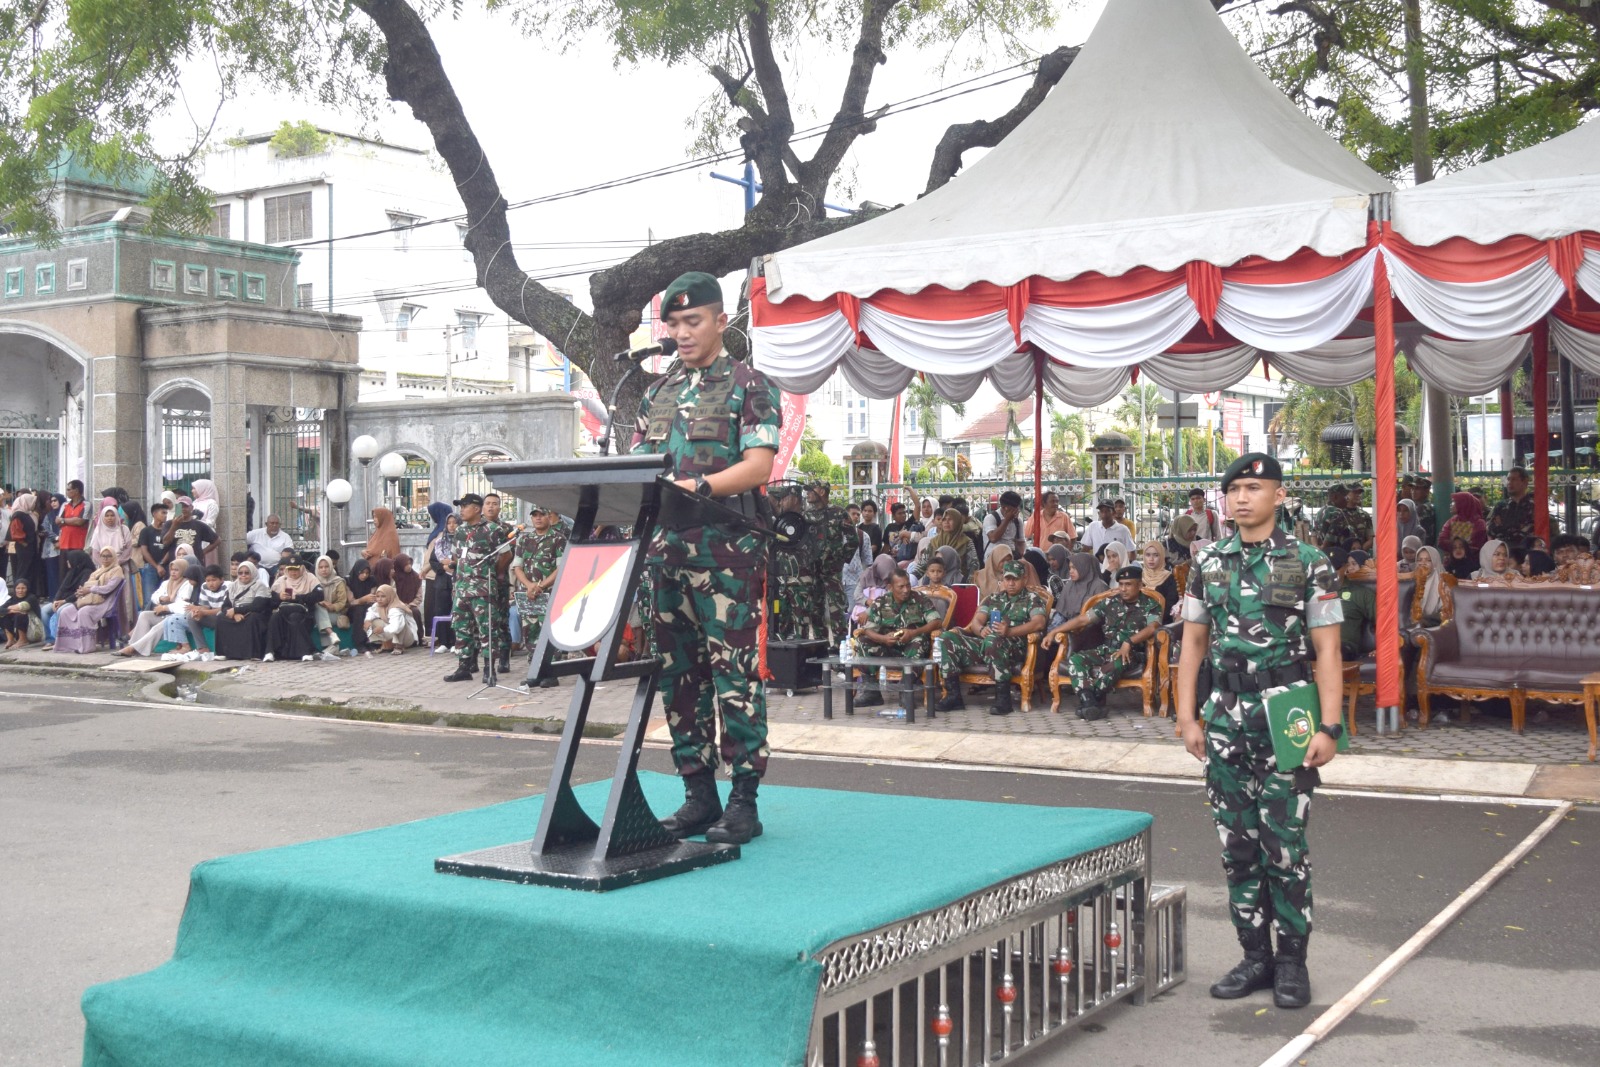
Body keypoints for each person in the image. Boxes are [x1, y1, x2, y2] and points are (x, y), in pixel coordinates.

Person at [1175, 453, 1344, 1011]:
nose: (1242, 498)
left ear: (1279, 494)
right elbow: (1194, 643)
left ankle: (1293, 962)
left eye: (1254, 487)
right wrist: (1185, 716)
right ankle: (1255, 956)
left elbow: (1327, 650)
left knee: (1285, 846)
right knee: (1237, 845)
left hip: (1286, 718)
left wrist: (1330, 725)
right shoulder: (1208, 560)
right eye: (1234, 490)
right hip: (1224, 717)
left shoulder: (1309, 560)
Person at [629, 270, 780, 846]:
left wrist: (704, 488)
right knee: (679, 677)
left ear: (721, 319)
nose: (682, 332)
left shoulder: (750, 385)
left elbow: (759, 465)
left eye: (693, 321)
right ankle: (698, 793)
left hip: (726, 556)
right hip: (665, 554)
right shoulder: (657, 392)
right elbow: (641, 465)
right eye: (673, 323)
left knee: (733, 676)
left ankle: (744, 798)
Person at [1045, 565, 1162, 719]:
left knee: (1116, 660)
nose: (1123, 589)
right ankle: (1090, 703)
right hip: (1106, 648)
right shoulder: (1110, 603)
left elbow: (1153, 628)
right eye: (1120, 584)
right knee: (1075, 659)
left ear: (1140, 585)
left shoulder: (1151, 605)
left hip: (1132, 653)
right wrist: (1054, 631)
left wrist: (1129, 642)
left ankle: (1089, 701)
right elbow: (1082, 620)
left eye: (1128, 584)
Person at [935, 559, 1048, 716]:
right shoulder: (992, 598)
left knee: (993, 640)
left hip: (1015, 647)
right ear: (1002, 579)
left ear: (1024, 579)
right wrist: (981, 630)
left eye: (1015, 579)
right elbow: (976, 622)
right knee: (947, 637)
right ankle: (953, 696)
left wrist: (1010, 632)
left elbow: (1039, 623)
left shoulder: (1032, 599)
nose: (1011, 583)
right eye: (1008, 579)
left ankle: (1003, 699)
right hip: (986, 644)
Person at [854, 570, 944, 711]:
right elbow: (869, 630)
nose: (906, 590)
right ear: (890, 586)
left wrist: (914, 632)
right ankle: (871, 692)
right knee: (863, 641)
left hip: (911, 646)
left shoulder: (919, 599)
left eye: (908, 585)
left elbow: (937, 622)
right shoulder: (881, 602)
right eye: (901, 587)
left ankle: (905, 690)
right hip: (888, 647)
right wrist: (883, 639)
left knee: (919, 642)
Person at [442, 494, 505, 682]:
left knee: (487, 629)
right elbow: (456, 557)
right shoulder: (460, 531)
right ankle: (464, 667)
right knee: (461, 628)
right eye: (460, 506)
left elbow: (505, 556)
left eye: (465, 506)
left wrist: (491, 574)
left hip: (482, 589)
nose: (461, 509)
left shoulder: (492, 530)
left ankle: (489, 668)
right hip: (461, 588)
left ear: (477, 509)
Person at [509, 504, 565, 681]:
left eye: (542, 514)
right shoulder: (524, 540)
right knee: (530, 631)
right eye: (535, 515)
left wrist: (540, 586)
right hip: (529, 594)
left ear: (549, 516)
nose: (538, 518)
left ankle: (551, 672)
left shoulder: (558, 539)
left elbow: (560, 568)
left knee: (549, 632)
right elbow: (517, 566)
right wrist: (529, 586)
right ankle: (535, 671)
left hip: (550, 593)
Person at [804, 482, 856, 644]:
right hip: (813, 570)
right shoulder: (807, 515)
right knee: (815, 610)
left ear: (821, 491)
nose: (807, 494)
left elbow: (853, 540)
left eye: (811, 490)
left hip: (832, 570)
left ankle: (841, 648)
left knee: (836, 611)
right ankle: (820, 646)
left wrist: (841, 558)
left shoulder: (839, 513)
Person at [53, 548, 127, 654]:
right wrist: (81, 592)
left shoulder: (117, 570)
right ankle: (71, 645)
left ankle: (87, 646)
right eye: (103, 556)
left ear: (114, 557)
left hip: (105, 602)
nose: (105, 559)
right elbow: (87, 585)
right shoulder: (98, 571)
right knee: (66, 611)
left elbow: (108, 589)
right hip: (90, 600)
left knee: (84, 612)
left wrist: (91, 589)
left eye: (108, 556)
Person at [117, 563, 200, 658]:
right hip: (165, 614)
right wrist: (161, 599)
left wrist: (165, 607)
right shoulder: (167, 583)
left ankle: (134, 649)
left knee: (159, 626)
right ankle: (135, 645)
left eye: (176, 570)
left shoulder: (187, 584)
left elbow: (183, 606)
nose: (173, 572)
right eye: (171, 569)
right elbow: (154, 596)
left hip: (176, 616)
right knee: (144, 615)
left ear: (183, 571)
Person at [213, 560, 272, 661]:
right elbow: (225, 606)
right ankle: (223, 652)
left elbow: (257, 606)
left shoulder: (259, 585)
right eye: (240, 573)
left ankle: (254, 653)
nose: (243, 575)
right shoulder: (233, 586)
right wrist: (234, 614)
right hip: (237, 613)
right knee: (221, 618)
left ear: (253, 572)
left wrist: (236, 610)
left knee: (253, 618)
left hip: (253, 614)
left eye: (246, 573)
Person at [483, 493, 515, 673]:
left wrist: (497, 573)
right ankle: (472, 660)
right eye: (487, 504)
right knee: (477, 622)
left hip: (499, 581)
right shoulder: (476, 527)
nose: (491, 507)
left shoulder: (506, 529)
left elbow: (508, 555)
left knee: (501, 620)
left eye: (495, 504)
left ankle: (504, 658)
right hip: (478, 582)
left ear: (499, 507)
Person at [39, 550, 93, 649]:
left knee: (61, 610)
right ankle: (50, 639)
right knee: (44, 610)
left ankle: (61, 640)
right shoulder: (71, 572)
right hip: (63, 600)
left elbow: (79, 592)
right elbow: (62, 588)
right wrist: (55, 600)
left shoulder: (87, 573)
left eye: (69, 560)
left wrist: (64, 601)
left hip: (76, 600)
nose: (67, 562)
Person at [914, 508, 979, 584]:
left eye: (950, 519)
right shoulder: (934, 542)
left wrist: (967, 585)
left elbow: (973, 566)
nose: (946, 522)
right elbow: (922, 565)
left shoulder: (966, 542)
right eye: (944, 519)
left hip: (957, 584)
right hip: (934, 585)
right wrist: (911, 577)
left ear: (957, 522)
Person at [1486, 467, 1536, 550]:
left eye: (1514, 479)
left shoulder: (1533, 506)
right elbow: (1490, 529)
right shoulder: (1500, 506)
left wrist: (1502, 528)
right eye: (1508, 479)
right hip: (1503, 552)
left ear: (1525, 481)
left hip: (1526, 553)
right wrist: (1515, 529)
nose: (1509, 483)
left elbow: (1528, 532)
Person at [312, 555, 351, 658]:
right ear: (317, 568)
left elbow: (342, 603)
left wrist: (331, 607)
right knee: (318, 607)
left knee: (320, 613)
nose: (324, 570)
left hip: (335, 613)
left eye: (326, 566)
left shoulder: (338, 582)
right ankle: (332, 644)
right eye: (321, 567)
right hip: (318, 612)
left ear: (331, 567)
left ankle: (329, 646)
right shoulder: (313, 582)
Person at [159, 497, 217, 566]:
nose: (183, 509)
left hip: (194, 565)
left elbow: (217, 540)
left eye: (185, 506)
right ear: (177, 508)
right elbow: (165, 542)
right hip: (176, 565)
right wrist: (174, 525)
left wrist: (202, 552)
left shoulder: (199, 525)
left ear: (191, 508)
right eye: (180, 507)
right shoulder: (169, 524)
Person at [5, 491, 43, 595]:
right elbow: (15, 531)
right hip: (23, 548)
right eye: (33, 502)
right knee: (23, 570)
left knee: (29, 570)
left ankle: (28, 593)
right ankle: (20, 593)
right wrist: (23, 543)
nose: (35, 505)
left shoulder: (29, 514)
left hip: (30, 547)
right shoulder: (18, 514)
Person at [364, 583, 419, 653]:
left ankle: (399, 646)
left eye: (383, 596)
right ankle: (386, 643)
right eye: (377, 596)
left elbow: (396, 627)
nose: (380, 599)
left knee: (400, 623)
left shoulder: (396, 608)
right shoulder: (378, 605)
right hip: (393, 633)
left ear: (389, 596)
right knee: (372, 622)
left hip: (407, 638)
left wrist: (383, 629)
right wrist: (367, 620)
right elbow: (371, 612)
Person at [341, 559, 379, 654]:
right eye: (362, 573)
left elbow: (372, 597)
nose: (365, 575)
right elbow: (352, 602)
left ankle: (371, 640)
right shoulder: (348, 580)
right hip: (352, 610)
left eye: (367, 573)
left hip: (367, 607)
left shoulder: (372, 580)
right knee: (359, 609)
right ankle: (359, 643)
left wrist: (368, 600)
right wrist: (363, 599)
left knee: (370, 610)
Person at [1139, 541, 1179, 617]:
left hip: (1162, 620)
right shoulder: (1139, 576)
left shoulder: (1169, 578)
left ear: (1161, 556)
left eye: (1156, 555)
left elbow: (1170, 604)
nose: (1151, 559)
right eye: (1148, 555)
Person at [982, 490, 1026, 560]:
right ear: (1005, 507)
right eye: (1014, 508)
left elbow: (1021, 541)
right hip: (993, 557)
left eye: (1017, 508)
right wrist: (1007, 520)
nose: (1017, 511)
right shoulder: (991, 518)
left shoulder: (1018, 521)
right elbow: (993, 538)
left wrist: (1020, 554)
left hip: (1011, 556)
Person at [2, 578, 40, 648]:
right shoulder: (13, 598)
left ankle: (23, 640)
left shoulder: (32, 597)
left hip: (34, 628)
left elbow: (22, 606)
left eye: (23, 588)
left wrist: (9, 608)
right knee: (3, 616)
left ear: (27, 589)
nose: (20, 591)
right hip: (18, 628)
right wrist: (10, 611)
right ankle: (11, 639)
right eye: (18, 588)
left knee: (20, 614)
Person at [57, 480, 90, 555]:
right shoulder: (65, 505)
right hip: (64, 544)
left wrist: (63, 520)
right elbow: (57, 521)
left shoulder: (86, 504)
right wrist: (71, 520)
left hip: (79, 544)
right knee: (63, 567)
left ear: (76, 491)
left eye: (69, 489)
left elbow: (80, 522)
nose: (66, 492)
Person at [1342, 483, 1375, 553]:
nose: (1358, 495)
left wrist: (1358, 552)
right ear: (1346, 494)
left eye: (1359, 493)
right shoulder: (1339, 514)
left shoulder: (1364, 515)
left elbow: (1370, 540)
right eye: (1355, 492)